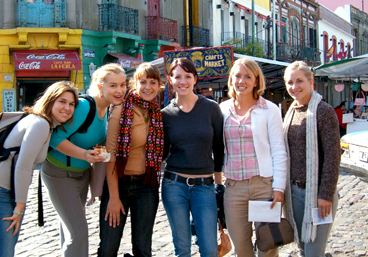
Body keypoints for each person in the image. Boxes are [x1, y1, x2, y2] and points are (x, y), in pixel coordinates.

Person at [0, 81, 78, 257]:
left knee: (4, 250)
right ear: (50, 101)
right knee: (3, 252)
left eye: (72, 104)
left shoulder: (44, 123)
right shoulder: (40, 124)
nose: (67, 108)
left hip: (3, 191)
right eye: (62, 101)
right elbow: (23, 166)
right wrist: (19, 208)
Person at [41, 63, 127, 257]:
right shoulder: (85, 106)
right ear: (100, 87)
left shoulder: (107, 110)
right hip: (59, 173)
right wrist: (85, 155)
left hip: (81, 174)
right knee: (78, 232)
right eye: (113, 85)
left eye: (123, 85)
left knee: (70, 229)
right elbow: (55, 138)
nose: (120, 90)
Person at [219, 58, 287, 257]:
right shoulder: (222, 110)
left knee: (268, 247)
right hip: (234, 189)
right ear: (231, 80)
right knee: (241, 248)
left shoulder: (270, 110)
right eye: (238, 76)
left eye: (248, 76)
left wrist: (278, 188)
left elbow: (279, 151)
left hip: (263, 186)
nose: (242, 81)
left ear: (256, 81)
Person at [98, 62, 164, 257]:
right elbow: (110, 157)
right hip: (120, 185)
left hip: (147, 186)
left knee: (143, 249)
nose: (148, 87)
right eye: (143, 82)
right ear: (135, 84)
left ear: (159, 85)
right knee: (108, 248)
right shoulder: (121, 111)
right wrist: (114, 198)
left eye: (153, 82)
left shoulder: (156, 113)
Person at [161, 58, 224, 257]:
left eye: (187, 76)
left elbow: (219, 147)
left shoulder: (211, 108)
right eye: (177, 76)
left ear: (195, 80)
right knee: (182, 249)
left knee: (209, 249)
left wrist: (218, 183)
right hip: (174, 186)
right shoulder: (165, 115)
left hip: (204, 187)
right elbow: (162, 153)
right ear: (170, 80)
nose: (183, 81)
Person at [283, 61, 341, 257]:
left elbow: (333, 157)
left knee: (313, 251)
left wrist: (325, 195)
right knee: (301, 248)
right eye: (290, 82)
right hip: (295, 194)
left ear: (310, 81)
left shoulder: (324, 111)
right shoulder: (290, 113)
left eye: (299, 81)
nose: (294, 87)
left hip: (318, 195)